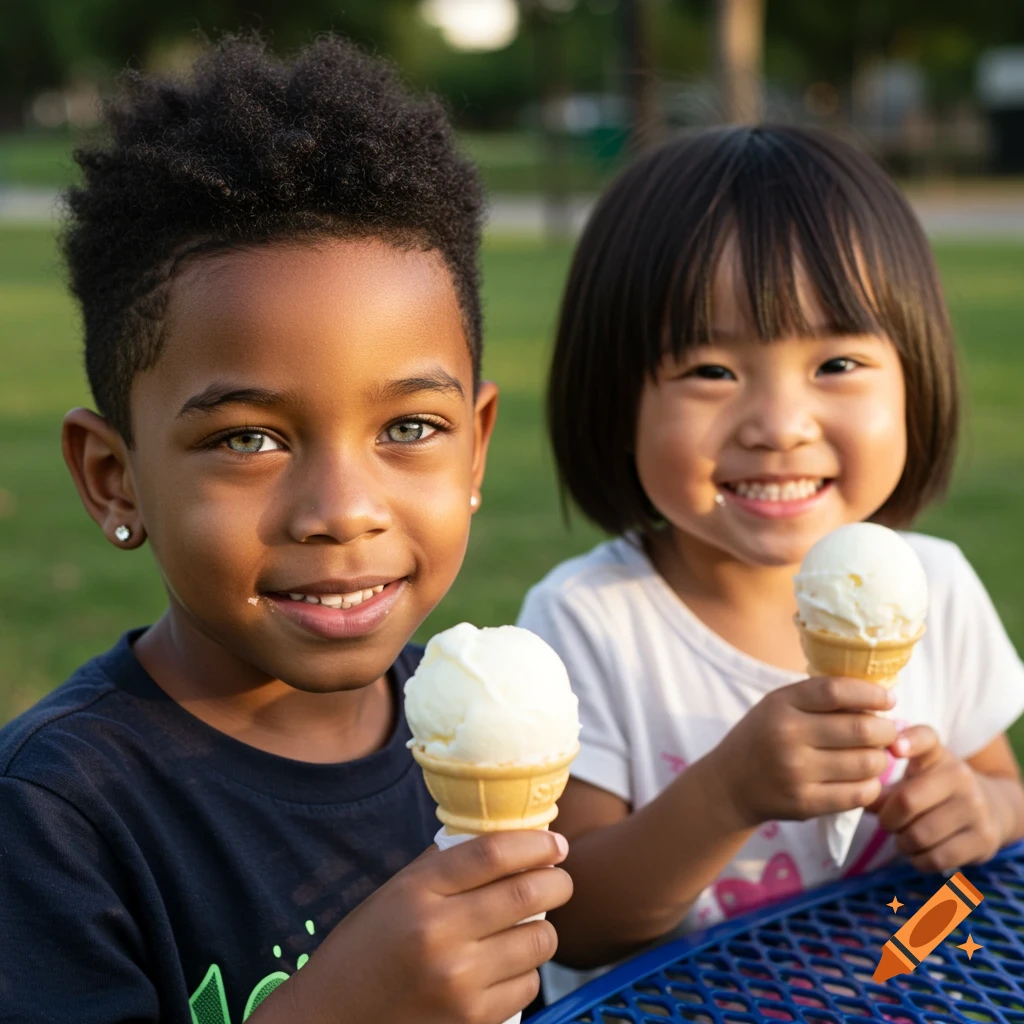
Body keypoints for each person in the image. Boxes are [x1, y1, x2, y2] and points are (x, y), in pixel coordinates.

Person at [0, 34, 572, 1024]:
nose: (344, 508)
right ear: (115, 477)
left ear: (474, 449)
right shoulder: (54, 816)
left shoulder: (465, 732)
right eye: (249, 438)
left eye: (407, 428)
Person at [517, 125, 1024, 997]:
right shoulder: (588, 622)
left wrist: (977, 812)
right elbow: (576, 922)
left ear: (916, 378)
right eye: (712, 370)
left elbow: (1003, 797)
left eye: (836, 362)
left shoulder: (934, 586)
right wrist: (728, 794)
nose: (780, 423)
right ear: (616, 399)